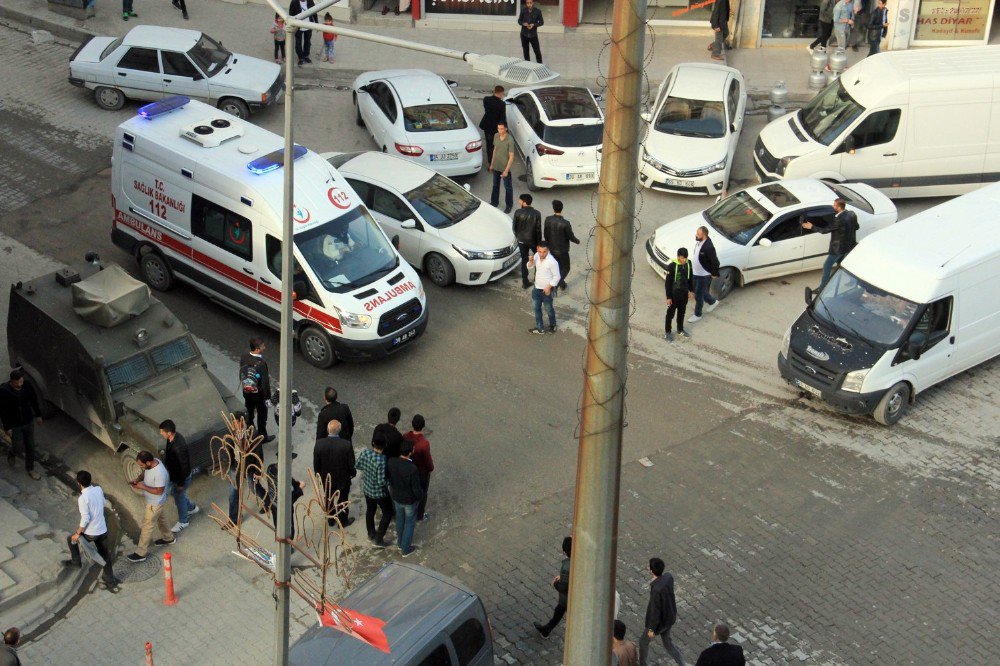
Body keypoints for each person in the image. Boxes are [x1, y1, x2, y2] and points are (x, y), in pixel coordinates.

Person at [63, 470, 118, 590]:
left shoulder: (83, 498)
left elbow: (86, 518)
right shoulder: (98, 489)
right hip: (102, 529)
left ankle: (76, 562)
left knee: (71, 539)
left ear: (79, 483)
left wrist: (78, 533)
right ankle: (110, 580)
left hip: (91, 533)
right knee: (105, 555)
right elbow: (103, 503)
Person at [801, 198, 859, 290]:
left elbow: (825, 230)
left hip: (838, 249)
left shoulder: (838, 220)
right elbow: (857, 227)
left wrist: (811, 226)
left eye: (834, 205)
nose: (833, 206)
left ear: (839, 207)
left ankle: (822, 288)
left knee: (827, 266)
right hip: (849, 246)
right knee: (843, 265)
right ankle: (855, 281)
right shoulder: (852, 214)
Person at [126, 451, 174, 563]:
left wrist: (142, 486)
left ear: (148, 462)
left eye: (142, 465)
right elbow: (145, 472)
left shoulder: (160, 473)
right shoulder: (152, 463)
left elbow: (159, 491)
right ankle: (169, 538)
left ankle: (140, 553)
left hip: (155, 503)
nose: (141, 467)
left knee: (147, 526)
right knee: (161, 519)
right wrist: (137, 479)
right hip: (156, 503)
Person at [639, 557, 686, 666]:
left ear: (651, 571)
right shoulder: (668, 577)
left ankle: (643, 664)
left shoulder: (656, 590)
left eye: (648, 566)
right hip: (669, 618)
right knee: (668, 644)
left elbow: (655, 615)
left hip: (658, 624)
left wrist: (651, 630)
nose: (647, 567)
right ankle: (682, 663)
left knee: (643, 642)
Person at [0, 369, 43, 481]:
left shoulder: (27, 386)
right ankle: (12, 452)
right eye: (18, 381)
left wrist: (38, 415)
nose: (21, 383)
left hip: (28, 421)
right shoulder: (4, 391)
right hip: (15, 424)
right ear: (12, 381)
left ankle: (30, 469)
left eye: (21, 380)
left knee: (30, 446)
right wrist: (7, 427)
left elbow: (34, 400)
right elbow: (3, 411)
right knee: (18, 447)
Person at [314, 420, 356, 526]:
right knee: (343, 499)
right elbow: (351, 463)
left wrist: (318, 474)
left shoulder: (319, 444)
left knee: (328, 498)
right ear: (340, 430)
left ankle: (331, 519)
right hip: (343, 478)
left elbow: (316, 463)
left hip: (327, 478)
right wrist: (353, 473)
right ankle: (342, 521)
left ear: (328, 429)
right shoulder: (346, 445)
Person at [160, 420, 199, 533]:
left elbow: (184, 466)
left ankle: (183, 521)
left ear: (169, 433)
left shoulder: (178, 446)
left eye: (162, 432)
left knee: (179, 498)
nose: (161, 433)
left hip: (180, 477)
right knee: (178, 495)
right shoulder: (171, 438)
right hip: (175, 475)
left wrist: (180, 483)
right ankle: (191, 508)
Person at [387, 442, 422, 557]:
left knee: (400, 519)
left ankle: (400, 543)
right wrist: (420, 497)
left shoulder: (391, 462)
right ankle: (406, 549)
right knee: (409, 523)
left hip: (396, 497)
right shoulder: (413, 469)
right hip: (409, 500)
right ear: (411, 452)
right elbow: (416, 489)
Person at [356, 434, 392, 547]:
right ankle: (378, 539)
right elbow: (381, 482)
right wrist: (390, 482)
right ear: (385, 446)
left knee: (370, 510)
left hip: (367, 489)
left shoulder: (365, 452)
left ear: (373, 444)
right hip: (379, 493)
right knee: (387, 512)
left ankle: (371, 533)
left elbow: (358, 465)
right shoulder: (382, 460)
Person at [533, 536, 571, 638]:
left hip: (568, 598)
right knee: (558, 612)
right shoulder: (578, 560)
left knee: (559, 612)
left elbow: (564, 587)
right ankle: (546, 630)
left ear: (564, 552)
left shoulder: (567, 566)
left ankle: (546, 630)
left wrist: (555, 583)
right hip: (571, 598)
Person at [239, 338, 274, 443]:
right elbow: (265, 383)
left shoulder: (244, 356)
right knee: (262, 416)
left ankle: (251, 433)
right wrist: (267, 398)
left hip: (247, 392)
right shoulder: (261, 364)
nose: (265, 347)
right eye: (263, 346)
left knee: (249, 413)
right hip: (259, 395)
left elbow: (242, 372)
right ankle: (262, 436)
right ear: (258, 349)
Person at [543, 200, 581, 290]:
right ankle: (556, 284)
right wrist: (577, 241)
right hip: (562, 250)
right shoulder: (565, 223)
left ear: (553, 208)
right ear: (562, 209)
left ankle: (562, 284)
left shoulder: (548, 219)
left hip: (552, 248)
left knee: (557, 268)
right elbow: (571, 236)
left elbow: (545, 234)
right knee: (566, 268)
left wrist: (548, 244)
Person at [403, 415, 434, 522]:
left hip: (407, 469)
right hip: (421, 473)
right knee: (422, 494)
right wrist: (430, 468)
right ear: (423, 426)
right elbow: (428, 463)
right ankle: (419, 515)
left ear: (412, 424)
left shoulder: (405, 436)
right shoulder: (424, 443)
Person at [527, 241, 560, 335]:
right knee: (536, 308)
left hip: (546, 290)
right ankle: (540, 328)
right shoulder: (537, 255)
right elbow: (530, 267)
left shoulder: (552, 262)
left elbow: (557, 276)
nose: (542, 254)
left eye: (544, 251)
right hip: (536, 288)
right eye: (540, 251)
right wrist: (531, 261)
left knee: (549, 308)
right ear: (537, 249)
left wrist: (549, 287)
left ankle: (553, 325)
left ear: (548, 250)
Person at [688, 226, 720, 324]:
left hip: (704, 275)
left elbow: (715, 262)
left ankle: (698, 315)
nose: (696, 236)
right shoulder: (699, 242)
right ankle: (713, 302)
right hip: (696, 272)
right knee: (701, 291)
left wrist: (714, 273)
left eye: (698, 234)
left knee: (698, 295)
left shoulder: (709, 247)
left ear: (704, 235)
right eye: (697, 233)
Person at [664, 248, 694, 341]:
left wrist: (691, 291)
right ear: (677, 257)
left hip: (684, 294)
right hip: (674, 295)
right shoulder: (672, 266)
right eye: (681, 258)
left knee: (681, 313)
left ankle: (680, 329)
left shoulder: (689, 264)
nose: (683, 260)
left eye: (685, 258)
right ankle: (668, 332)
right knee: (670, 315)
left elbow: (691, 278)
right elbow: (667, 283)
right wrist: (668, 297)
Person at [514, 194, 543, 289]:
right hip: (533, 241)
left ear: (524, 202)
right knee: (538, 260)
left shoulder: (518, 212)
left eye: (520, 200)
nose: (519, 202)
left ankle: (525, 282)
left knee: (524, 260)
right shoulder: (537, 213)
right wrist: (539, 244)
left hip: (521, 241)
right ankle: (536, 280)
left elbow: (514, 228)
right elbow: (538, 230)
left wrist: (518, 237)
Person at [490, 122, 516, 213]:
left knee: (508, 187)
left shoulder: (510, 140)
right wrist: (492, 164)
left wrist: (506, 171)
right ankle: (494, 202)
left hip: (505, 168)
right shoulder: (496, 136)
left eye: (501, 129)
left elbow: (511, 156)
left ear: (506, 129)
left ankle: (509, 205)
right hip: (496, 166)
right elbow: (495, 150)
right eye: (498, 128)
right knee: (495, 185)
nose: (499, 131)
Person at [479, 86, 507, 168]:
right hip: (496, 128)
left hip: (487, 125)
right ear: (501, 93)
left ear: (494, 91)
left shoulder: (486, 99)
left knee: (489, 145)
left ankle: (491, 164)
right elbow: (502, 118)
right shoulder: (502, 104)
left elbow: (487, 109)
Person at [289, 0, 319, 65]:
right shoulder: (294, 2)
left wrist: (317, 23)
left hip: (308, 26)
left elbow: (314, 12)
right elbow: (291, 14)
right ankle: (300, 57)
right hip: (298, 27)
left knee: (307, 42)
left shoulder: (310, 1)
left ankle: (306, 56)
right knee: (298, 43)